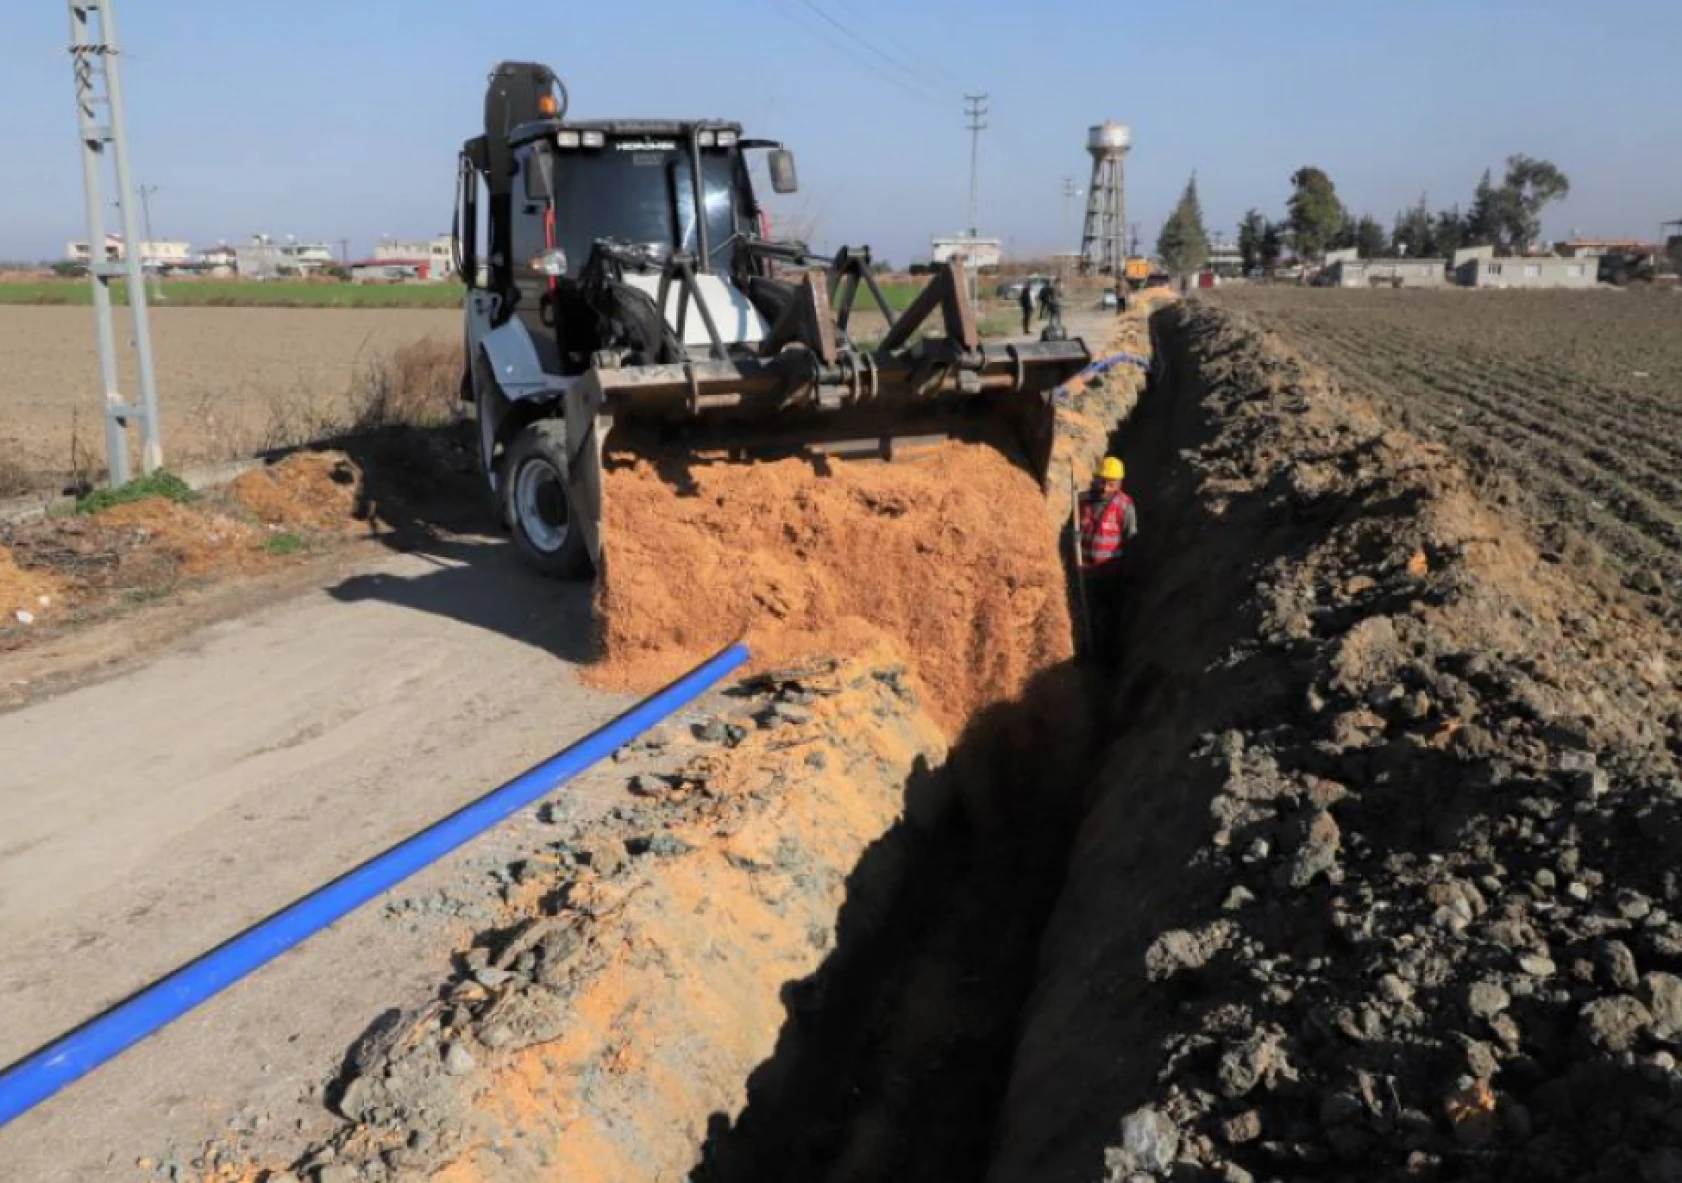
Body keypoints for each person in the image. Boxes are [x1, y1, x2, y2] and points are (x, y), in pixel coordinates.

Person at [1077, 455, 1139, 667]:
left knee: (1111, 621)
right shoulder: (1081, 501)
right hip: (1084, 572)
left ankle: (1109, 664)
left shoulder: (1125, 506)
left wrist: (1129, 572)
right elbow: (1071, 530)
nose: (1105, 488)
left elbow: (1131, 540)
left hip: (1111, 575)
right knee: (1086, 618)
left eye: (1110, 484)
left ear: (1119, 484)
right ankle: (1086, 658)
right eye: (1102, 481)